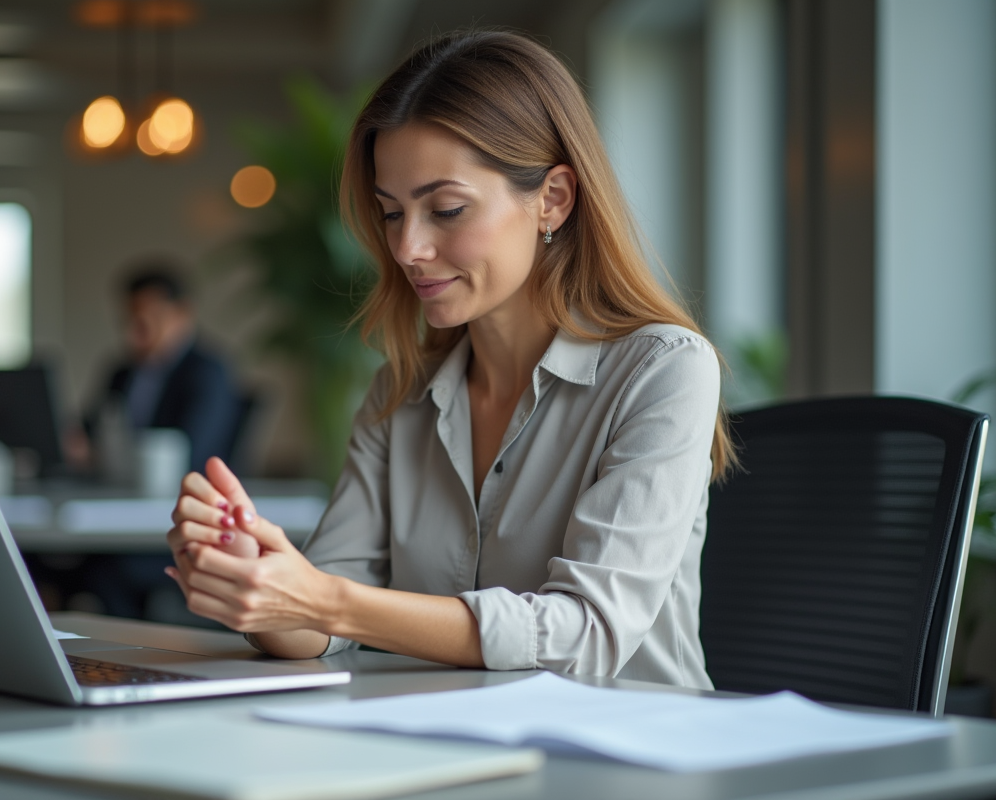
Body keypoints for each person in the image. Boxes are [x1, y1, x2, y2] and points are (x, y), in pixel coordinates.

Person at [162, 30, 735, 687]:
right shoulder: (397, 393)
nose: (407, 247)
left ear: (552, 199)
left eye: (447, 209)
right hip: (449, 754)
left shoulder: (663, 369)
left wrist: (325, 600)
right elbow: (314, 628)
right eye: (390, 212)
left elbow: (587, 636)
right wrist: (253, 577)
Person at [89, 265, 242, 474]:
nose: (135, 334)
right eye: (130, 322)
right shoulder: (122, 372)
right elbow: (91, 428)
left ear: (182, 314)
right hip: (120, 488)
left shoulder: (207, 373)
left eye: (149, 321)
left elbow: (193, 452)